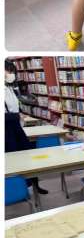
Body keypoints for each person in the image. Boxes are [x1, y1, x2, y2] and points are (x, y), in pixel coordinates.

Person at [5, 60, 48, 195]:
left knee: (27, 156)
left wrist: (19, 113)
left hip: (16, 126)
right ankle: (15, 190)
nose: (11, 74)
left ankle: (35, 185)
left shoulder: (10, 87)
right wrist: (16, 115)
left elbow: (16, 104)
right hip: (6, 130)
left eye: (12, 71)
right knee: (13, 160)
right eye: (8, 71)